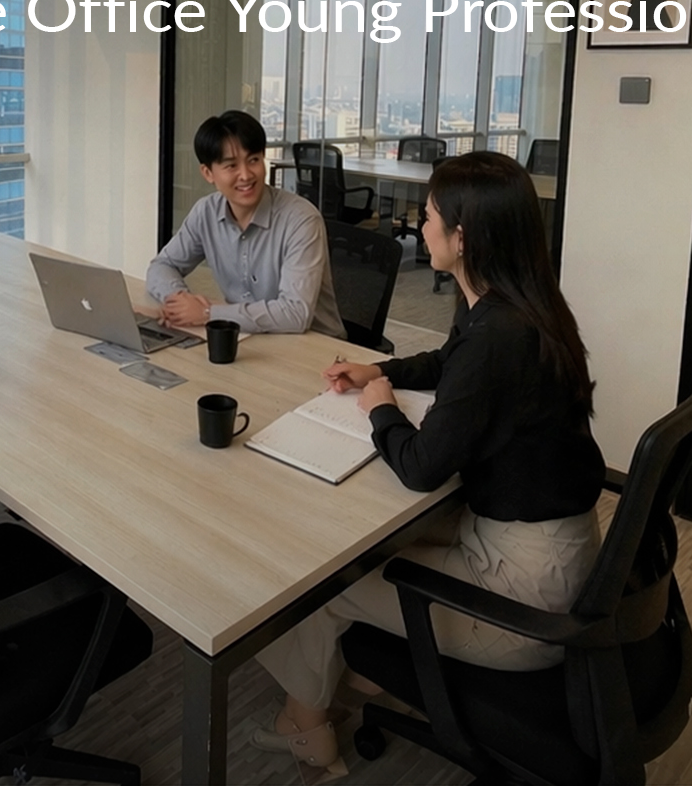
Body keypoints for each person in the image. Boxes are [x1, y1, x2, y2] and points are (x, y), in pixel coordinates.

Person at [251, 150, 606, 776]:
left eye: (431, 216)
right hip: (544, 545)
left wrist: (379, 406)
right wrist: (381, 369)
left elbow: (420, 467)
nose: (421, 225)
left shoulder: (500, 334)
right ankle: (367, 679)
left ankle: (305, 729)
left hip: (525, 598)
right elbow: (450, 362)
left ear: (462, 238)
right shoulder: (518, 305)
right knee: (376, 548)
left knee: (318, 585)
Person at [146, 110, 344, 337]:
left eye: (253, 160)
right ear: (208, 173)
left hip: (315, 349)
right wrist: (179, 301)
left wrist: (208, 313)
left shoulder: (301, 220)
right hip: (247, 339)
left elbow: (295, 313)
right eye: (231, 166)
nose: (246, 175)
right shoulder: (206, 212)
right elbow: (162, 265)